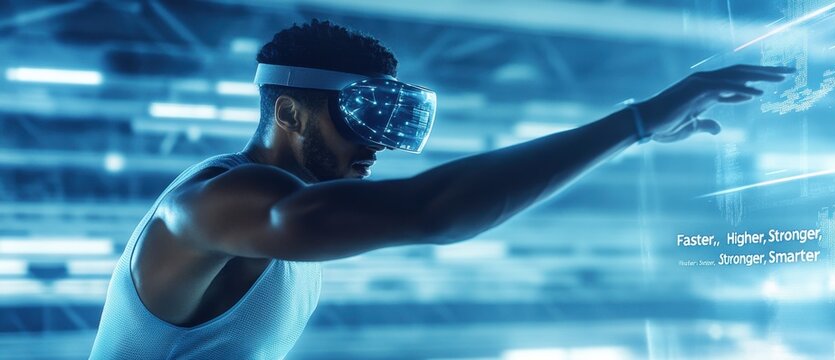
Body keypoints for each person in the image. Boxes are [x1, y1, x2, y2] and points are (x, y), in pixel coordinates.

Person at [89, 19, 793, 358]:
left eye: (387, 121)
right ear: (286, 111)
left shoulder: (282, 209)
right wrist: (634, 122)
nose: (373, 146)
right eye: (356, 118)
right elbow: (431, 212)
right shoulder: (212, 205)